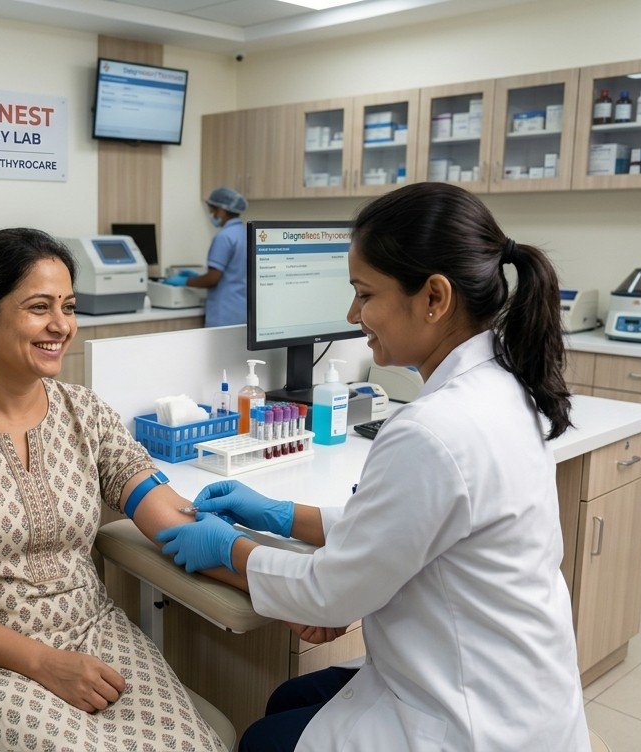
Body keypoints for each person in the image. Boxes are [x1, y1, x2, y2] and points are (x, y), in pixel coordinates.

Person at [154, 182, 589, 751]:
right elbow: (396, 528)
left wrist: (227, 548)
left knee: (264, 738)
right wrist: (282, 516)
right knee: (290, 700)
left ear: (434, 297)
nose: (352, 313)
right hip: (511, 685)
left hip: (474, 720)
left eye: (364, 293)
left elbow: (333, 595)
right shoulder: (500, 386)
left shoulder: (436, 429)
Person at [0, 228, 226, 751]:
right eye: (39, 307)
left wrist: (278, 578)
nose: (61, 325)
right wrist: (45, 664)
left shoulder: (84, 412)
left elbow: (168, 517)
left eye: (68, 306)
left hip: (92, 633)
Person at [165, 187, 247, 328]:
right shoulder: (244, 233)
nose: (211, 215)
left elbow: (212, 279)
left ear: (221, 211)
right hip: (241, 310)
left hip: (224, 313)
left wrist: (185, 281)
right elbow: (234, 273)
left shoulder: (224, 237)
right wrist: (197, 276)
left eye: (211, 210)